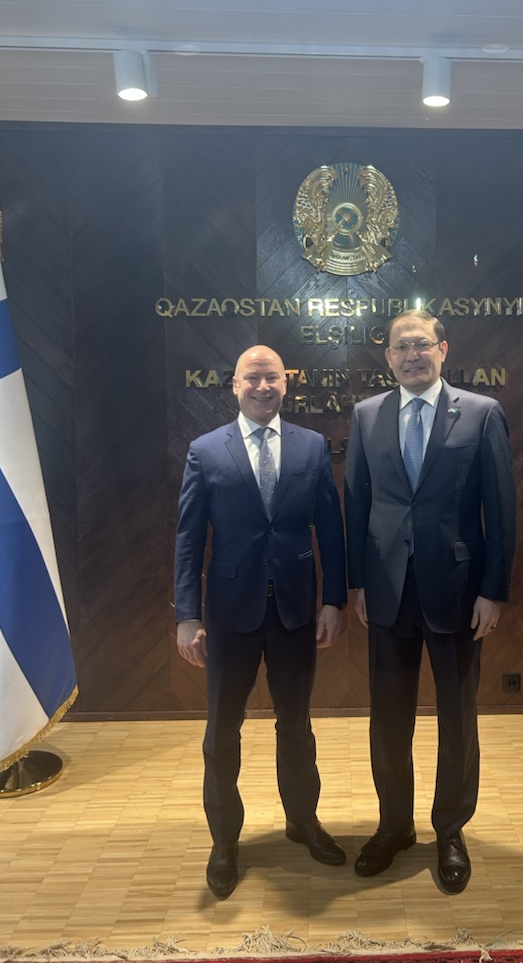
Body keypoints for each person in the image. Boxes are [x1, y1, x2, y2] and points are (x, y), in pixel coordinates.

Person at [344, 309, 516, 893]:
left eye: (422, 344)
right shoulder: (367, 415)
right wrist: (358, 584)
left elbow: (502, 510)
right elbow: (357, 505)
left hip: (459, 592)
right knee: (388, 719)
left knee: (457, 717)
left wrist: (493, 590)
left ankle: (450, 830)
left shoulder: (482, 413)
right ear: (388, 357)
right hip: (387, 591)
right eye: (401, 347)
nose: (411, 355)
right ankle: (394, 825)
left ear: (444, 350)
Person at [175, 345, 347, 900]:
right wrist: (186, 615)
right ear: (235, 385)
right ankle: (225, 839)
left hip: (296, 611)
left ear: (285, 383)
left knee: (296, 724)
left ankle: (303, 820)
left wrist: (334, 601)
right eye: (252, 377)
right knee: (222, 730)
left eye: (272, 376)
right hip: (229, 615)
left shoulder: (312, 446)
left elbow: (331, 529)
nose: (263, 386)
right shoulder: (206, 450)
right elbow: (188, 540)